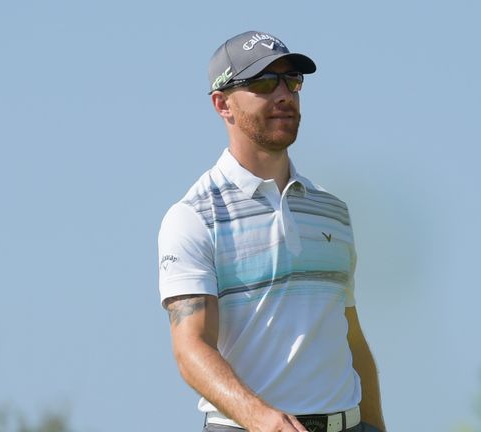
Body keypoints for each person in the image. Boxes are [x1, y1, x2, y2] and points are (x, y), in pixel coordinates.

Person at [158, 30, 386, 432]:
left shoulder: (331, 211)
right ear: (222, 104)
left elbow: (349, 336)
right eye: (264, 83)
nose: (284, 94)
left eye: (292, 81)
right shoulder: (194, 216)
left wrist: (376, 426)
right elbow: (190, 348)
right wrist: (262, 420)